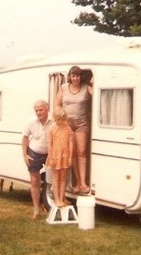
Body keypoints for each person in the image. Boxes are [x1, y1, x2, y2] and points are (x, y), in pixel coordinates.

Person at [55, 65, 93, 194]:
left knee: (81, 152)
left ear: (80, 77)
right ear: (70, 77)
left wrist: (94, 83)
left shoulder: (86, 88)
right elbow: (57, 105)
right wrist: (60, 120)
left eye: (77, 75)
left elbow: (98, 95)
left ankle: (83, 182)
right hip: (67, 124)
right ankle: (77, 182)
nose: (75, 78)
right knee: (73, 154)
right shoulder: (63, 88)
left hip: (82, 123)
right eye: (73, 76)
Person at [22, 100, 52, 220]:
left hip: (50, 153)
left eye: (41, 110)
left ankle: (52, 204)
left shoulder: (53, 122)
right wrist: (25, 155)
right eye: (36, 110)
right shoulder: (31, 122)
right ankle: (36, 210)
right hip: (34, 152)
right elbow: (24, 138)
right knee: (35, 181)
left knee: (53, 179)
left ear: (47, 109)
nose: (39, 112)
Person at [46, 107, 74, 207]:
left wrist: (70, 157)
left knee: (63, 178)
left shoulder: (68, 128)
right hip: (55, 155)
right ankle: (56, 198)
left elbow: (71, 143)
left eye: (62, 119)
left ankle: (62, 198)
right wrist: (51, 157)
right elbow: (49, 144)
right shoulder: (51, 129)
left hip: (65, 156)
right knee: (56, 178)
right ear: (55, 118)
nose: (60, 121)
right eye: (58, 119)